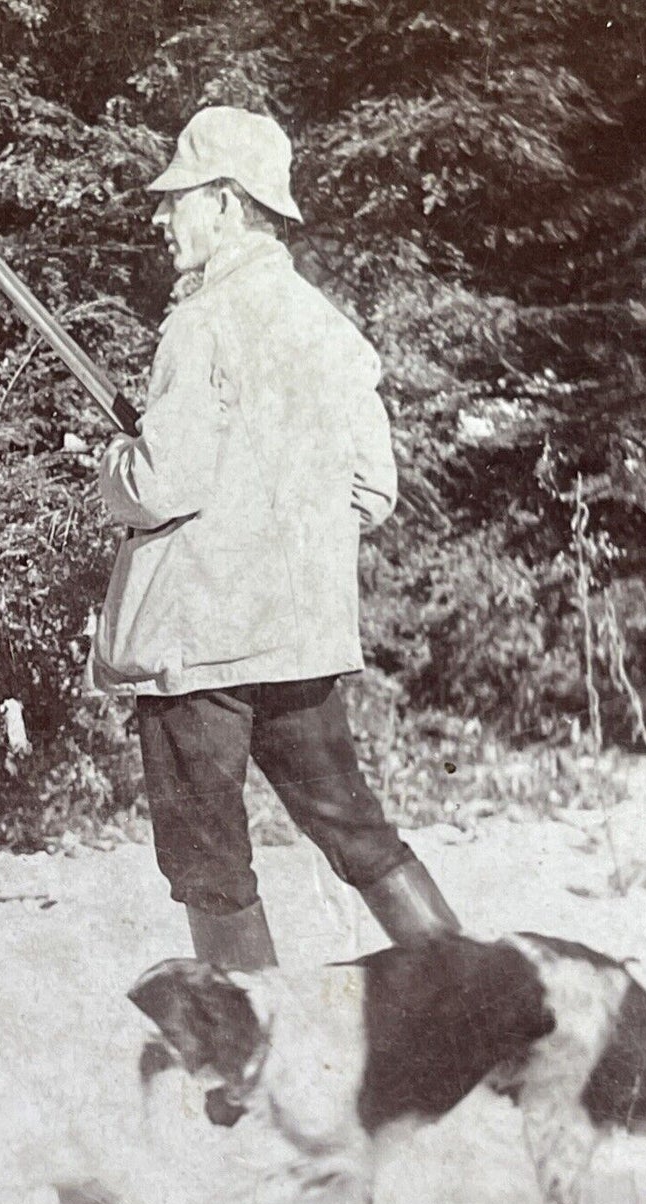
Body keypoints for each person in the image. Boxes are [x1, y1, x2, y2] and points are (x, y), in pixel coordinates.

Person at [91, 106, 458, 991]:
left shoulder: (202, 322)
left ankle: (244, 1056)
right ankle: (470, 994)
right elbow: (373, 490)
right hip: (300, 638)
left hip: (200, 647)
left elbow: (159, 484)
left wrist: (109, 462)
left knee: (207, 857)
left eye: (176, 197)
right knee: (353, 825)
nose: (160, 216)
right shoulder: (328, 328)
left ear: (223, 202)